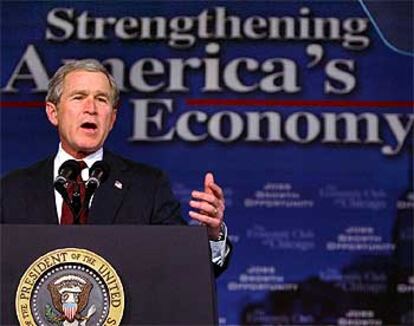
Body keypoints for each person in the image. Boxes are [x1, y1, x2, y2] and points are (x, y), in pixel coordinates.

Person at [1, 59, 230, 275]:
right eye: (79, 97)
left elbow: (186, 268)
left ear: (111, 119)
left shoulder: (147, 186)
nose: (91, 108)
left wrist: (212, 236)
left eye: (101, 99)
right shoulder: (12, 189)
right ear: (53, 113)